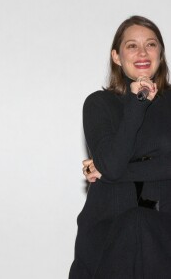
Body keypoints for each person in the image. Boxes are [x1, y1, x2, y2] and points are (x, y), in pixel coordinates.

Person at [69, 15, 171, 278]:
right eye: (131, 46)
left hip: (166, 225)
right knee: (135, 223)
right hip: (109, 226)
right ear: (116, 56)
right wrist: (137, 103)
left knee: (141, 223)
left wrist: (110, 171)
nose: (142, 52)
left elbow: (112, 171)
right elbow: (112, 165)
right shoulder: (99, 104)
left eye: (150, 44)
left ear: (160, 53)